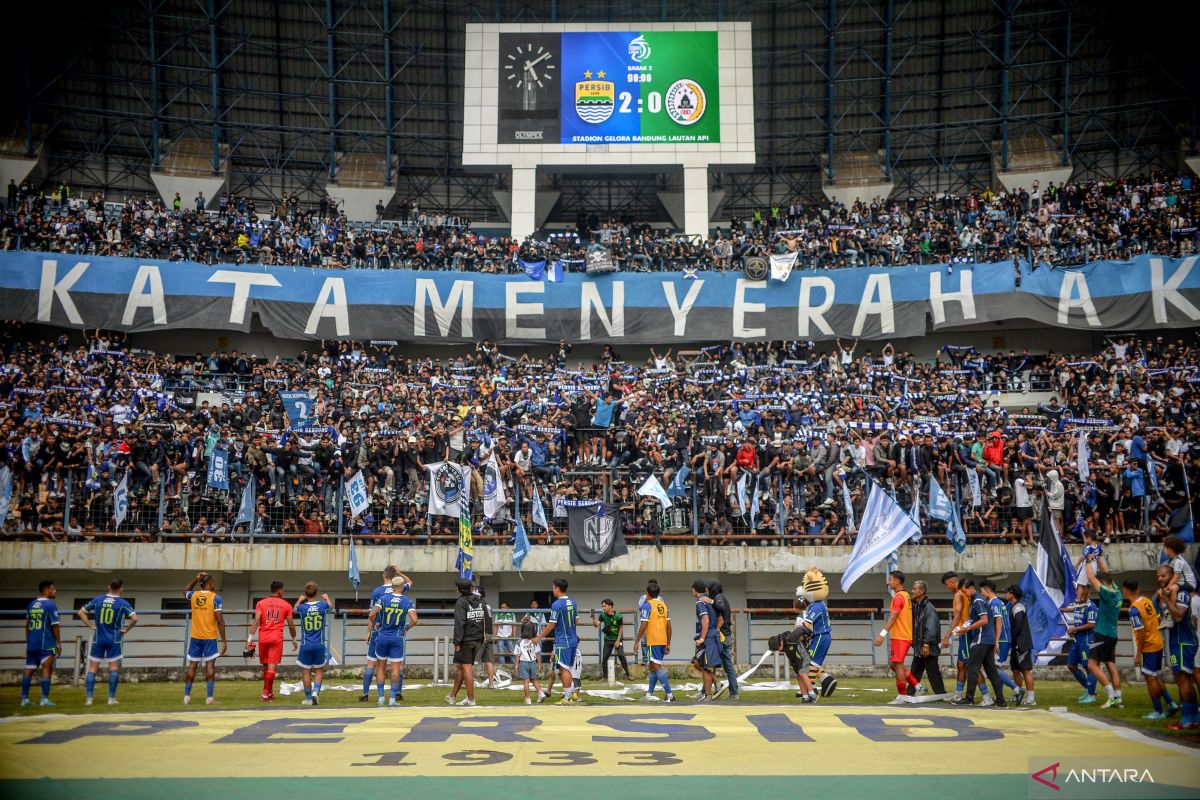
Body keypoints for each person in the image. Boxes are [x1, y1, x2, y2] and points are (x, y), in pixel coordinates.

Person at [78, 579, 138, 706]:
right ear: (121, 588)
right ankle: (111, 698)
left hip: (98, 637)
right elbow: (134, 618)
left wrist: (89, 625)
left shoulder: (98, 600)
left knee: (92, 669)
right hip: (114, 638)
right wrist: (126, 629)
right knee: (114, 669)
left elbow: (81, 612)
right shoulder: (122, 603)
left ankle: (89, 699)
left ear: (108, 587)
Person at [1124, 577, 1177, 720]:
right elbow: (1156, 616)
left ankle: (1158, 711)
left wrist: (1138, 654)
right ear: (1138, 589)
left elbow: (1140, 632)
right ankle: (1171, 703)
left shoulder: (1134, 610)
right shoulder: (1146, 600)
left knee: (1150, 678)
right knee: (1155, 676)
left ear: (1125, 591)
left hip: (1149, 647)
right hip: (1158, 642)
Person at [950, 578, 1007, 707]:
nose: (964, 594)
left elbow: (984, 620)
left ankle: (969, 698)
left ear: (971, 588)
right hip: (988, 639)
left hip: (982, 639)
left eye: (965, 591)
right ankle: (1000, 700)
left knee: (971, 667)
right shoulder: (975, 601)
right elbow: (974, 618)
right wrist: (964, 628)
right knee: (991, 670)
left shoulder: (977, 600)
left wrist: (968, 628)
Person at [1157, 564, 1200, 730]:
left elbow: (1179, 616)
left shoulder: (1181, 593)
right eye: (1158, 576)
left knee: (1183, 679)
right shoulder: (1169, 593)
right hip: (1176, 641)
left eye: (1163, 576)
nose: (1160, 579)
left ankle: (1189, 718)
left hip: (1184, 641)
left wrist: (1166, 599)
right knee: (1182, 679)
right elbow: (1167, 616)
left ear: (1172, 576)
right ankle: (1193, 716)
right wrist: (1163, 601)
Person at [360, 566, 410, 701]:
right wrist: (399, 573)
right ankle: (397, 693)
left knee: (372, 663)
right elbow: (410, 582)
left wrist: (369, 631)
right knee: (397, 665)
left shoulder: (377, 591)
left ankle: (366, 694)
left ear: (383, 576)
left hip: (379, 632)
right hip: (396, 632)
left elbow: (372, 613)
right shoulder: (401, 588)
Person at [369, 575, 418, 706]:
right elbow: (415, 619)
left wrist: (376, 625)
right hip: (397, 637)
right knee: (396, 670)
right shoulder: (407, 601)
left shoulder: (383, 599)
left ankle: (380, 698)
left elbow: (371, 614)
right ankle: (392, 699)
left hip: (383, 635)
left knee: (381, 668)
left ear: (392, 587)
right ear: (402, 587)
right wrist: (406, 628)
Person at [941, 571, 988, 702]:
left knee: (971, 666)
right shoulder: (967, 594)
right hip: (967, 632)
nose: (948, 588)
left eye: (947, 585)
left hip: (966, 633)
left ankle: (986, 696)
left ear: (951, 583)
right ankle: (958, 693)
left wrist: (947, 636)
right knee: (961, 664)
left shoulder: (958, 594)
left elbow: (956, 618)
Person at [1084, 560, 1124, 709]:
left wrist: (1088, 559)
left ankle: (1112, 696)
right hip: (1112, 634)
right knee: (1111, 666)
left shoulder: (1107, 593)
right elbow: (1105, 573)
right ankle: (1118, 698)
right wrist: (1098, 555)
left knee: (1092, 665)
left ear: (1103, 584)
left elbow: (1090, 577)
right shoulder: (1117, 592)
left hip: (1102, 634)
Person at [182, 572, 227, 705]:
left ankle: (186, 696)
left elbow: (185, 591)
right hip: (209, 637)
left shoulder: (194, 595)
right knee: (210, 666)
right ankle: (209, 698)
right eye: (212, 582)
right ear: (209, 584)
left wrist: (195, 579)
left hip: (195, 637)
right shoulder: (216, 598)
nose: (214, 584)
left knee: (192, 666)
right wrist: (224, 640)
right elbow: (220, 620)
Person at [247, 581, 296, 702]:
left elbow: (256, 621)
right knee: (272, 667)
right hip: (276, 638)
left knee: (265, 666)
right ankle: (265, 694)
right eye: (283, 590)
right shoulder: (286, 605)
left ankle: (269, 692)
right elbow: (291, 625)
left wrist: (249, 640)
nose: (283, 592)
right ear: (279, 590)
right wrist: (294, 639)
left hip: (263, 637)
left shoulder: (261, 603)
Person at [875, 570, 919, 703]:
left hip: (901, 636)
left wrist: (882, 634)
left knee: (898, 665)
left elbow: (893, 617)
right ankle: (917, 685)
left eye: (891, 579)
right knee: (894, 664)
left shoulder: (899, 597)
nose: (888, 582)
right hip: (903, 635)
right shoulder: (905, 596)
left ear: (897, 581)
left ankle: (903, 696)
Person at [536, 578, 580, 704]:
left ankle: (566, 697)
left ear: (557, 588)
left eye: (553, 587)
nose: (552, 589)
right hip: (573, 640)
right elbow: (577, 621)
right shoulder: (573, 602)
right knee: (568, 668)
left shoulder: (556, 604)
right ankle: (572, 694)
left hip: (563, 641)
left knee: (563, 669)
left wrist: (539, 637)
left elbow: (551, 625)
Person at [633, 579, 675, 702]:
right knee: (652, 666)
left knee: (656, 666)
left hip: (654, 640)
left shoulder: (647, 605)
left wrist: (637, 641)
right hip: (662, 639)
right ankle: (649, 693)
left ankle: (670, 695)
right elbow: (669, 625)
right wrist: (668, 642)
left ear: (647, 593)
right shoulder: (663, 605)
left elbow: (644, 624)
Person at [447, 579, 485, 707]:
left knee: (466, 668)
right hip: (478, 639)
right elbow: (484, 618)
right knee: (461, 667)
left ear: (459, 589)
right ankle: (452, 696)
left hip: (465, 640)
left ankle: (471, 698)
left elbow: (460, 623)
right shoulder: (479, 599)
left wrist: (456, 642)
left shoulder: (461, 602)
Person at [22, 580, 60, 707]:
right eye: (53, 589)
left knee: (29, 670)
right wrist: (59, 643)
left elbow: (26, 625)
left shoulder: (31, 604)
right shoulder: (50, 605)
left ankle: (24, 699)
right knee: (47, 669)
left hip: (32, 643)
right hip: (46, 643)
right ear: (47, 590)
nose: (55, 591)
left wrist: (28, 642)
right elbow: (55, 626)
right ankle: (44, 699)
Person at [294, 582, 333, 705]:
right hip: (319, 644)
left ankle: (308, 698)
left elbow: (294, 609)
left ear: (305, 594)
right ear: (317, 592)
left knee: (305, 671)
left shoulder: (302, 608)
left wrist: (299, 600)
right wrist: (327, 598)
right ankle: (316, 692)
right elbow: (330, 607)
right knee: (319, 670)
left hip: (306, 644)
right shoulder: (322, 606)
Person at [981, 580, 1020, 695]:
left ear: (988, 590)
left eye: (982, 590)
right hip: (1004, 639)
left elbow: (998, 621)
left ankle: (1017, 690)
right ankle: (1000, 696)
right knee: (998, 668)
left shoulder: (994, 603)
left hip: (1002, 639)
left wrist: (996, 641)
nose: (982, 593)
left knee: (994, 668)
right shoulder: (999, 602)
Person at [909, 579, 945, 696]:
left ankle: (940, 693)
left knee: (932, 671)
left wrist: (926, 644)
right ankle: (910, 692)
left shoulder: (929, 608)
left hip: (927, 646)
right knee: (915, 671)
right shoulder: (915, 606)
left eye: (914, 589)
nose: (912, 591)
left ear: (922, 591)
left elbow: (931, 627)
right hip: (919, 646)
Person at [1005, 585, 1036, 706]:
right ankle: (1017, 693)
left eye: (1007, 592)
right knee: (1015, 670)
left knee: (1026, 670)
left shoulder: (1018, 607)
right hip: (1016, 644)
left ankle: (1031, 698)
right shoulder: (1013, 606)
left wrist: (1014, 640)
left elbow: (1018, 625)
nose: (1006, 594)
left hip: (1021, 644)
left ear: (1012, 594)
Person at [1064, 593, 1098, 703]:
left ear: (1087, 592)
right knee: (1071, 665)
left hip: (1086, 640)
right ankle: (1088, 689)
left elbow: (1091, 624)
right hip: (1077, 639)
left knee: (1088, 667)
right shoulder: (1078, 606)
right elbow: (1074, 616)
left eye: (1078, 590)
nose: (1077, 592)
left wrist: (1074, 629)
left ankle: (1091, 695)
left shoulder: (1091, 606)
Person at [707, 580, 739, 699]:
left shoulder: (718, 597)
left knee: (723, 665)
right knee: (712, 664)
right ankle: (708, 690)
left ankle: (733, 693)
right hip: (723, 635)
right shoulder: (719, 597)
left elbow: (720, 607)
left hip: (723, 635)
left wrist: (709, 601)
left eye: (709, 588)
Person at [768, 627, 816, 702]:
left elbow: (800, 629)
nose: (779, 650)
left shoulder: (791, 638)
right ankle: (805, 697)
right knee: (799, 677)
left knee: (802, 673)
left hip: (803, 657)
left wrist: (809, 633)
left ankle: (812, 694)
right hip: (795, 660)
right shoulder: (781, 643)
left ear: (780, 642)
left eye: (778, 648)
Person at [691, 580, 720, 701]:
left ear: (695, 590)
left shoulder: (700, 602)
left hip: (708, 637)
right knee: (700, 664)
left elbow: (705, 619)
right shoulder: (711, 601)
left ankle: (708, 695)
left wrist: (702, 637)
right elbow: (721, 618)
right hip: (713, 635)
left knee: (706, 667)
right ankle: (709, 691)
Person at [591, 599, 632, 681]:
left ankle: (628, 674)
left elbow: (621, 628)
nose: (603, 608)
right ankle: (605, 676)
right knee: (605, 658)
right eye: (602, 606)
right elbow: (596, 625)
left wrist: (618, 640)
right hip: (608, 639)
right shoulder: (602, 615)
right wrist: (593, 618)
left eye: (605, 606)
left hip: (617, 638)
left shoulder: (618, 615)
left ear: (610, 606)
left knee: (621, 655)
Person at [516, 618, 543, 704]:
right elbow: (538, 653)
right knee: (534, 679)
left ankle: (528, 699)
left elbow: (517, 654)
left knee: (526, 681)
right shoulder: (535, 641)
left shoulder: (519, 641)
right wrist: (539, 664)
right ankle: (540, 692)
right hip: (533, 663)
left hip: (524, 663)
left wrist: (516, 665)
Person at [495, 601, 516, 667]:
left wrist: (514, 636)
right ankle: (502, 667)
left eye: (504, 607)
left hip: (509, 636)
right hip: (500, 636)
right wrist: (495, 637)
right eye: (501, 607)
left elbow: (514, 626)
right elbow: (495, 626)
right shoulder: (498, 615)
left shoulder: (512, 614)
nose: (502, 609)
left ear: (507, 607)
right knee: (501, 652)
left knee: (511, 651)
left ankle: (514, 666)